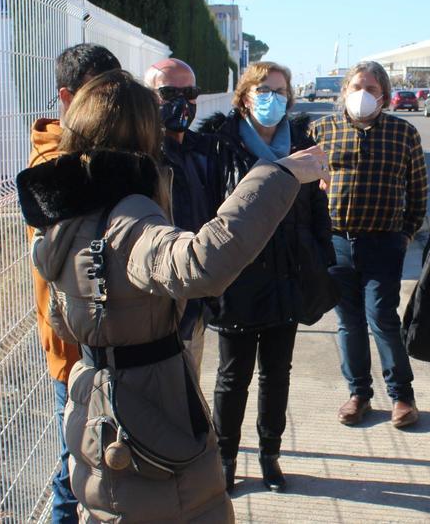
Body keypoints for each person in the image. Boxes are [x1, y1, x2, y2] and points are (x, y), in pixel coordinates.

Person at [18, 69, 329, 522]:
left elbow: (64, 321)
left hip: (92, 403)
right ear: (143, 134)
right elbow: (200, 263)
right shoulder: (128, 214)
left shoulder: (64, 215)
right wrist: (278, 175)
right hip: (148, 414)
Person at [197, 61, 334, 493]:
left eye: (280, 91)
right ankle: (225, 458)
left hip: (288, 276)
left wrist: (320, 263)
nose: (273, 99)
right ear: (244, 97)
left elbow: (317, 212)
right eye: (264, 90)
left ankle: (270, 455)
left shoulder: (304, 145)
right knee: (232, 376)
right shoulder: (220, 145)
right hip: (237, 277)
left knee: (277, 373)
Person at [27, 42, 120, 524]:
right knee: (74, 459)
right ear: (67, 98)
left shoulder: (101, 154)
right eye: (95, 95)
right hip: (74, 342)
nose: (107, 107)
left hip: (109, 333)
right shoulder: (52, 164)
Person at [310, 61, 426, 428]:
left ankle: (402, 396)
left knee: (382, 317)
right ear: (344, 91)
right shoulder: (321, 130)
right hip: (336, 243)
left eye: (372, 89)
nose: (363, 94)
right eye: (356, 87)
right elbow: (304, 186)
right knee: (348, 322)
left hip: (384, 243)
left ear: (384, 96)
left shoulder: (403, 133)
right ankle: (358, 393)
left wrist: (406, 234)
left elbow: (418, 190)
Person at [143, 58, 222, 378]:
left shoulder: (203, 150)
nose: (182, 102)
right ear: (148, 97)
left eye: (189, 93)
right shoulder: (142, 157)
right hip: (159, 305)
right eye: (168, 93)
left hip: (196, 300)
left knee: (190, 387)